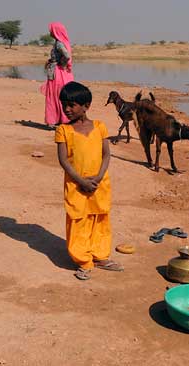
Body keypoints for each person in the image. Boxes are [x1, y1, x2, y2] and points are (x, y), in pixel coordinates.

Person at [55, 81, 123, 280]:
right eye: (64, 104)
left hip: (99, 184)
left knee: (99, 218)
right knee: (78, 220)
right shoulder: (63, 130)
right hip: (76, 185)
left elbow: (106, 155)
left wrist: (99, 176)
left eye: (71, 105)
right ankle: (83, 260)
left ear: (86, 106)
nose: (66, 109)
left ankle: (100, 256)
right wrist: (81, 181)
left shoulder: (100, 127)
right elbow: (63, 161)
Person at [42, 22, 74, 128]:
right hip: (63, 73)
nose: (50, 32)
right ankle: (62, 120)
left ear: (56, 31)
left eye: (51, 30)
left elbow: (66, 55)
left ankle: (53, 121)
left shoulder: (59, 43)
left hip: (57, 73)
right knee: (62, 95)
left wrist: (60, 63)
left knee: (54, 95)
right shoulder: (63, 42)